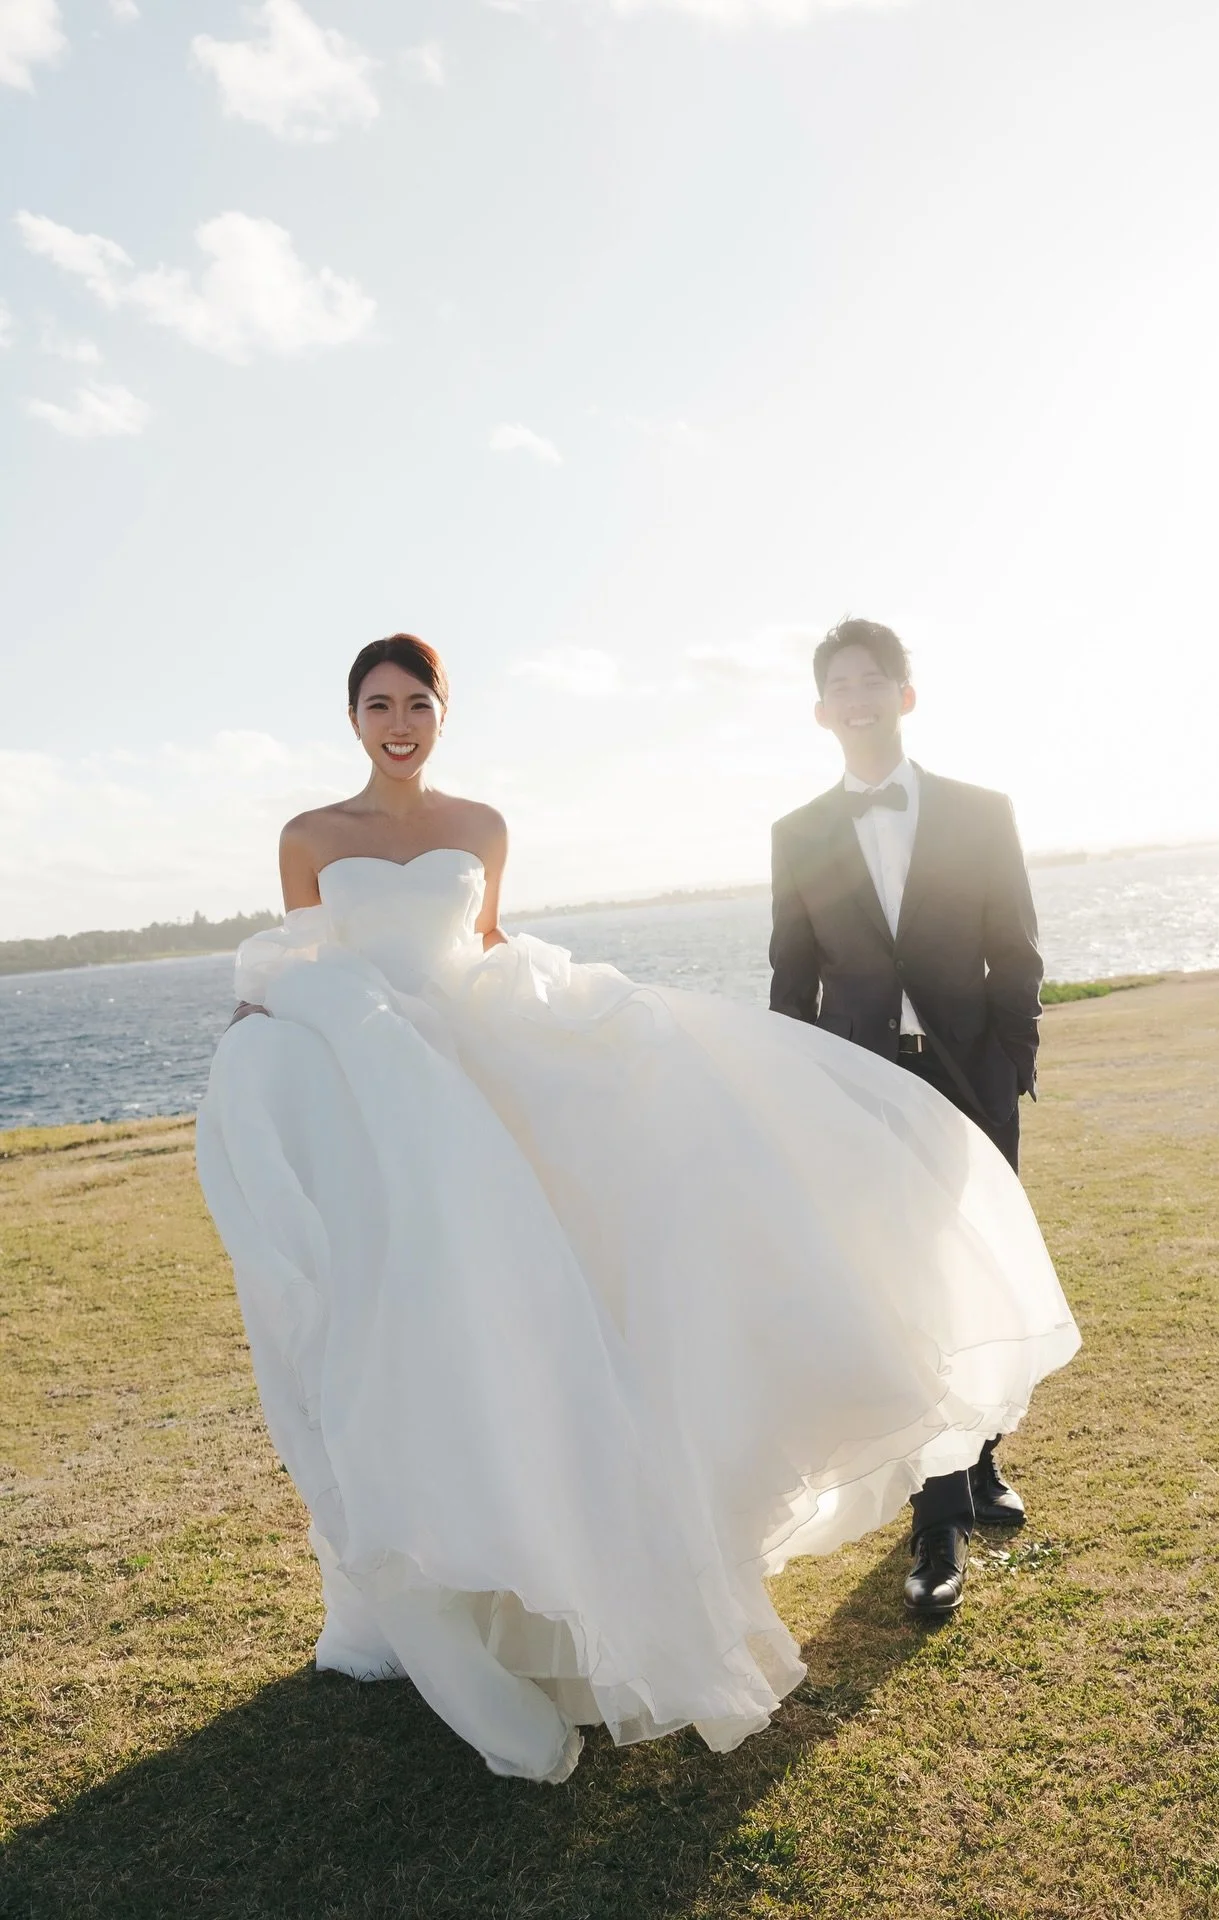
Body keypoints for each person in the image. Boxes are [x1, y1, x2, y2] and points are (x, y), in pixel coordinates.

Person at [197, 632, 1079, 1785]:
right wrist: (268, 1034)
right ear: (352, 717)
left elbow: (487, 947)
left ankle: (568, 1579)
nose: (399, 722)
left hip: (481, 1092)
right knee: (402, 1336)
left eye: (418, 703)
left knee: (537, 1316)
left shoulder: (483, 828)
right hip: (383, 1111)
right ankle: (425, 1588)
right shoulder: (309, 838)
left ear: (442, 715)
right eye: (378, 705)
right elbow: (308, 966)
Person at [770, 618, 1048, 1618]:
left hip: (972, 1077)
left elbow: (1015, 950)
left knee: (984, 1272)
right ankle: (933, 1522)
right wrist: (792, 1092)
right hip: (857, 1088)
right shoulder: (796, 835)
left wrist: (1014, 1061)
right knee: (904, 1289)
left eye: (873, 680)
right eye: (839, 685)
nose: (857, 697)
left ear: (905, 695)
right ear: (820, 710)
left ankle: (980, 1464)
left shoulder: (982, 812)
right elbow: (790, 980)